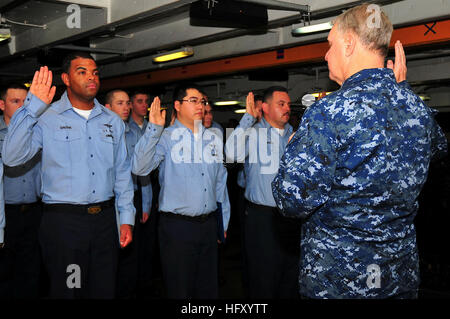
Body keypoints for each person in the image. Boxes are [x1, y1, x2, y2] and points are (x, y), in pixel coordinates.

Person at [272, 3, 448, 299]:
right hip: (397, 276)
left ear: (349, 43)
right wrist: (402, 92)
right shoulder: (417, 109)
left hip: (340, 279)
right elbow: (438, 148)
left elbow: (291, 200)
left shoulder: (327, 113)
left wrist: (293, 153)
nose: (326, 55)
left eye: (329, 46)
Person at [1, 52, 135, 299]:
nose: (91, 78)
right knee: (70, 291)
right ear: (66, 78)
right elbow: (11, 157)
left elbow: (122, 173)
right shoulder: (45, 117)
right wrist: (31, 108)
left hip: (105, 221)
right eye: (82, 72)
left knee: (104, 290)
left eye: (95, 72)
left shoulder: (112, 121)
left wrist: (126, 216)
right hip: (65, 224)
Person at [132, 83, 230, 298]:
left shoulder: (212, 138)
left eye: (202, 102)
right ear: (177, 105)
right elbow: (139, 168)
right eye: (193, 101)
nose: (200, 106)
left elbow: (220, 182)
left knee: (207, 290)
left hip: (208, 225)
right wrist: (153, 130)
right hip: (178, 228)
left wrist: (223, 222)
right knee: (180, 289)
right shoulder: (165, 137)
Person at [224, 86, 301, 299]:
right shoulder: (253, 133)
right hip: (262, 217)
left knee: (289, 277)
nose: (287, 108)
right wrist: (247, 119)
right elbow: (231, 155)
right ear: (265, 107)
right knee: (264, 278)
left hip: (291, 218)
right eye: (281, 104)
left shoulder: (293, 135)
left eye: (288, 104)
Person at [105, 89, 150, 298]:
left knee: (130, 253)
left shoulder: (131, 132)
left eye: (127, 103)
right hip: (107, 200)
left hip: (130, 197)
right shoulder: (102, 134)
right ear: (108, 108)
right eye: (120, 103)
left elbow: (142, 172)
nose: (126, 107)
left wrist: (147, 202)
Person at [0, 83, 43, 299]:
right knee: (5, 270)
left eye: (25, 102)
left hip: (34, 211)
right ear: (1, 104)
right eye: (15, 101)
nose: (21, 107)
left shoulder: (36, 132)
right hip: (6, 214)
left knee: (31, 269)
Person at [128, 90, 157, 296]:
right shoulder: (122, 128)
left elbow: (147, 173)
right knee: (130, 244)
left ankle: (145, 284)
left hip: (146, 190)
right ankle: (129, 284)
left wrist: (147, 203)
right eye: (139, 101)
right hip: (128, 192)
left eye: (146, 101)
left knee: (148, 242)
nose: (144, 105)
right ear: (131, 104)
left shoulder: (153, 129)